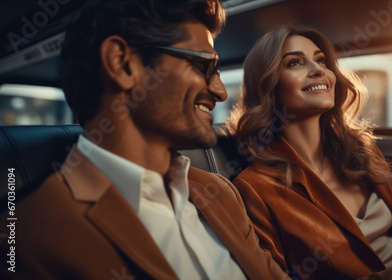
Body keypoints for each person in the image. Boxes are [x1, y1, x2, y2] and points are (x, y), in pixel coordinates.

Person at [0, 1, 289, 279]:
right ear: (123, 64)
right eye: (204, 66)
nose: (220, 91)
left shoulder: (221, 193)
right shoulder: (29, 231)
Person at [229, 26, 392, 280]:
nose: (319, 70)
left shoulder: (362, 150)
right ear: (268, 86)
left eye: (321, 61)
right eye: (295, 63)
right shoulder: (253, 189)